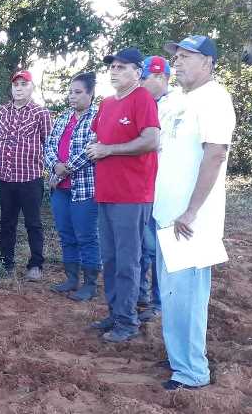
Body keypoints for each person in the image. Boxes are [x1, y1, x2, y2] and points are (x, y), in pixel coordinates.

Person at [154, 36, 235, 390]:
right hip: (166, 215)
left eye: (188, 57)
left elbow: (215, 154)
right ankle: (178, 357)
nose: (179, 62)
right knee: (171, 294)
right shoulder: (175, 100)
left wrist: (191, 210)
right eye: (177, 57)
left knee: (187, 296)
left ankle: (192, 372)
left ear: (208, 63)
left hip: (190, 221)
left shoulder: (215, 99)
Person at [86, 47, 160, 343]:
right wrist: (97, 145)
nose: (114, 71)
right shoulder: (105, 104)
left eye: (121, 67)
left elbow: (151, 139)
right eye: (112, 67)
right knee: (112, 258)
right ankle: (115, 312)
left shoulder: (142, 98)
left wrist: (108, 150)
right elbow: (97, 136)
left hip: (133, 194)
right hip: (106, 191)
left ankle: (128, 321)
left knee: (129, 259)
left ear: (137, 71)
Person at [44, 72, 100, 301]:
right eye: (70, 92)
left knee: (86, 235)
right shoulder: (63, 118)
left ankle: (90, 283)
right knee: (66, 233)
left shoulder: (97, 118)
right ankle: (71, 278)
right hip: (60, 188)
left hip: (84, 188)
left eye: (78, 92)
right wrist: (55, 165)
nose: (72, 97)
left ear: (90, 94)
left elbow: (91, 150)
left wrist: (65, 167)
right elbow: (48, 146)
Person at [0, 70, 52, 280]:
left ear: (31, 87)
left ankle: (35, 264)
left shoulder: (40, 113)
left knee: (33, 223)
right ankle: (6, 263)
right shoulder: (2, 112)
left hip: (30, 178)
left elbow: (50, 144)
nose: (19, 88)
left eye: (23, 84)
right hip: (6, 178)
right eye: (15, 85)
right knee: (7, 222)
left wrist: (53, 171)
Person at [137, 56, 180, 322]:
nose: (141, 82)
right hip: (141, 187)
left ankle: (159, 301)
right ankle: (140, 294)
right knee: (142, 245)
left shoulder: (176, 106)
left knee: (159, 248)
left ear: (162, 78)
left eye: (145, 78)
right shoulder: (140, 103)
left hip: (164, 188)